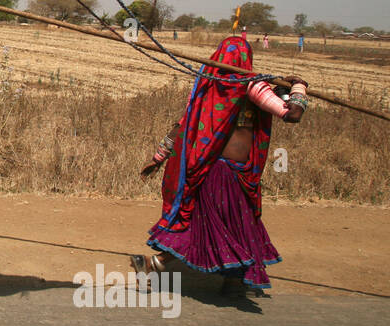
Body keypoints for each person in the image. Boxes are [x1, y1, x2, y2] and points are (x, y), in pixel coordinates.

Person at [131, 35, 309, 294]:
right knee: (223, 227)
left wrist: (159, 157)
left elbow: (182, 125)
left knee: (226, 225)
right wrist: (300, 87)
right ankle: (154, 264)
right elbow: (292, 114)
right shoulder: (252, 87)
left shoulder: (209, 87)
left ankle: (234, 280)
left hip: (211, 169)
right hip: (226, 174)